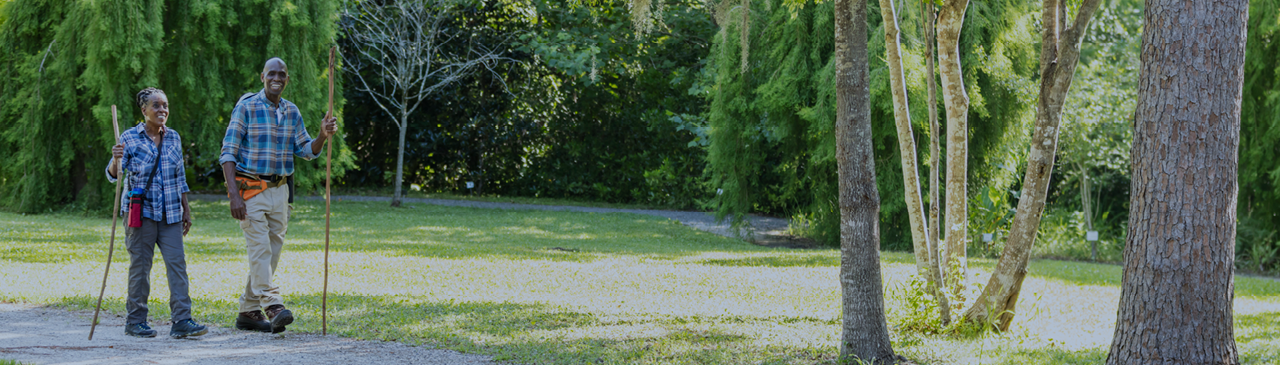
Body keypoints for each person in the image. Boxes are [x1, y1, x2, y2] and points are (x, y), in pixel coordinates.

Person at [220, 58, 337, 333]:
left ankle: (248, 311)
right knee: (260, 249)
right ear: (262, 76)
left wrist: (321, 134)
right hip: (251, 190)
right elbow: (228, 153)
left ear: (287, 79)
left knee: (270, 254)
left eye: (281, 74)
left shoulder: (291, 111)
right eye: (271, 73)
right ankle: (273, 304)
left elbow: (306, 150)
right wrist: (234, 196)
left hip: (281, 191)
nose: (277, 78)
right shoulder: (246, 106)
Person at [106, 87, 209, 339]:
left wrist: (186, 209)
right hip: (140, 213)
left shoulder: (174, 137)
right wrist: (115, 158)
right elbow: (113, 175)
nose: (162, 110)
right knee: (141, 268)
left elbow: (180, 176)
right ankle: (135, 321)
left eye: (165, 105)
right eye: (156, 105)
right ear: (144, 110)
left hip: (171, 213)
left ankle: (182, 320)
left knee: (177, 265)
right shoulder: (129, 138)